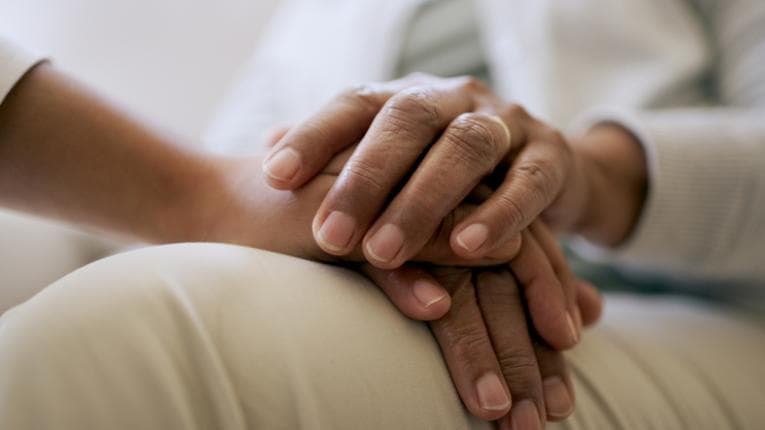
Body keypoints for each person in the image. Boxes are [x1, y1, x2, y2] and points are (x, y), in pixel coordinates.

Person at [1, 0, 764, 428]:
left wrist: (588, 175)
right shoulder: (316, 18)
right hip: (373, 287)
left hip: (683, 304)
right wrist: (372, 208)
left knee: (144, 333)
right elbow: (243, 172)